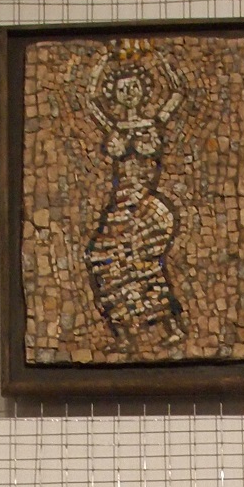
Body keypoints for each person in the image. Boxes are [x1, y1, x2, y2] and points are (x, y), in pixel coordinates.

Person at [84, 49, 185, 347]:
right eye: (122, 88)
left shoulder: (153, 123)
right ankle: (123, 335)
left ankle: (172, 327)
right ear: (114, 95)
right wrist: (103, 61)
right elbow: (91, 100)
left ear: (143, 90)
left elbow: (177, 92)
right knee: (103, 259)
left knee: (143, 262)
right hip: (122, 206)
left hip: (146, 206)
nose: (129, 92)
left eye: (134, 86)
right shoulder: (115, 127)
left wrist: (163, 60)